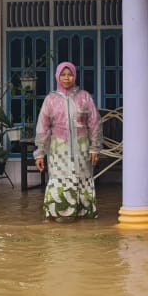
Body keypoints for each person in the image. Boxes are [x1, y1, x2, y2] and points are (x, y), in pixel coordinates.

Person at [33, 62, 102, 221]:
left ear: (75, 76)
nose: (66, 78)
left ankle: (83, 212)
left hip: (82, 146)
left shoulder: (84, 96)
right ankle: (61, 214)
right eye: (63, 75)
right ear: (57, 76)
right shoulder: (50, 99)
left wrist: (94, 148)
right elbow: (42, 127)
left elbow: (95, 123)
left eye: (69, 74)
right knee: (59, 178)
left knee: (82, 178)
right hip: (59, 148)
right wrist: (39, 153)